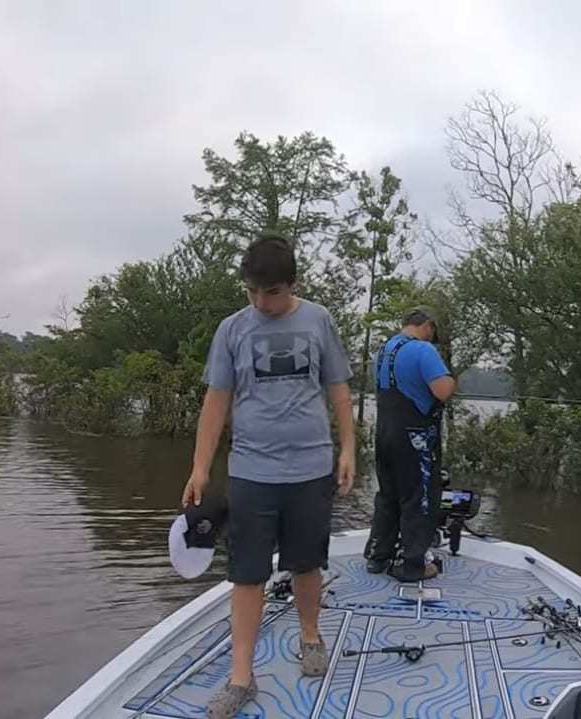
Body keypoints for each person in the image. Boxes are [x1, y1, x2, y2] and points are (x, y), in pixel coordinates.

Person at [181, 232, 356, 719]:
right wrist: (200, 467)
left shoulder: (318, 320)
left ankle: (310, 636)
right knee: (247, 572)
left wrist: (348, 450)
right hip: (252, 469)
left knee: (306, 563)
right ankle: (242, 677)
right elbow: (216, 403)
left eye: (272, 292)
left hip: (311, 466)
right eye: (253, 291)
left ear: (291, 284)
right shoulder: (232, 330)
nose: (262, 302)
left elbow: (339, 390)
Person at [363, 307, 456, 582]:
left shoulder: (383, 351)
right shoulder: (423, 350)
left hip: (384, 435)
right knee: (420, 498)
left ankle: (378, 557)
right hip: (415, 438)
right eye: (433, 333)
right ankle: (412, 565)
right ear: (427, 326)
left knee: (388, 495)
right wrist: (451, 380)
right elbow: (442, 390)